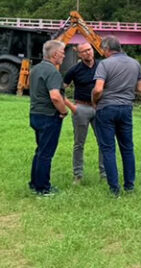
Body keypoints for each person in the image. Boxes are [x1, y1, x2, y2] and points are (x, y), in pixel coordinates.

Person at [92, 36, 141, 197]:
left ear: (107, 49)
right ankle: (129, 185)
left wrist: (94, 99)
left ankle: (114, 188)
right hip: (126, 108)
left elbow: (99, 89)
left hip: (106, 108)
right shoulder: (135, 63)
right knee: (127, 148)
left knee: (108, 149)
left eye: (103, 50)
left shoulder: (104, 64)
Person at [29, 40, 77, 196]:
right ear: (55, 54)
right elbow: (55, 97)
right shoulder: (53, 72)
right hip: (49, 116)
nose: (63, 56)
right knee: (46, 153)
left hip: (35, 113)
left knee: (40, 150)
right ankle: (43, 188)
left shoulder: (35, 69)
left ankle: (34, 183)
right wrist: (63, 112)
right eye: (63, 53)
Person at [63, 42, 105, 183]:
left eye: (90, 49)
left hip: (100, 108)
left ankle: (104, 175)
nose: (88, 53)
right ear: (79, 54)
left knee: (104, 142)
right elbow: (60, 89)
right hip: (81, 108)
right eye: (84, 51)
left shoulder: (103, 66)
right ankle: (78, 175)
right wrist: (71, 106)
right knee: (79, 143)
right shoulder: (74, 70)